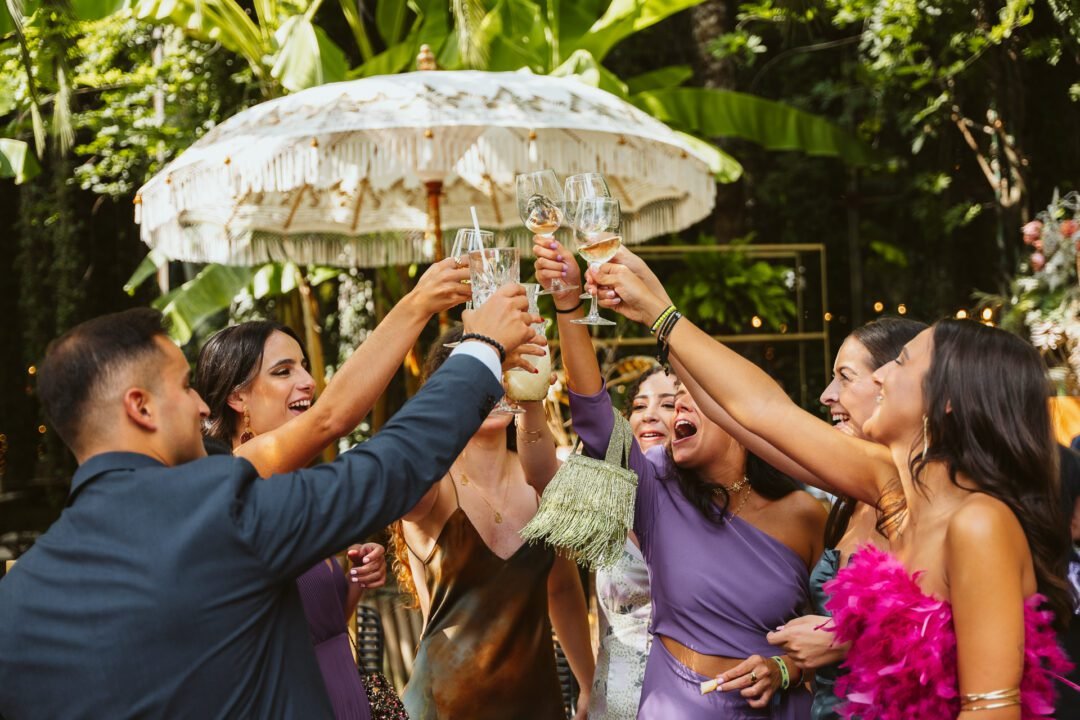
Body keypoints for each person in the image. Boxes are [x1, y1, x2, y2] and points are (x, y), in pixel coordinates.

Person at [0, 284, 540, 718]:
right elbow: (386, 470)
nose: (197, 405)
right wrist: (480, 351)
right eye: (186, 386)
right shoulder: (218, 507)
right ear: (141, 407)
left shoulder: (19, 599)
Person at [588, 250, 1073, 718]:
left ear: (947, 401)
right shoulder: (888, 491)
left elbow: (990, 710)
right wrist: (660, 315)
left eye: (900, 363)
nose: (880, 377)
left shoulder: (980, 522)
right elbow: (762, 413)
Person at [535, 238, 826, 719]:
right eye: (674, 400)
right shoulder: (655, 490)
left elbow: (844, 634)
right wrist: (567, 303)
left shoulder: (807, 514)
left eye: (688, 397)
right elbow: (593, 415)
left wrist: (786, 670)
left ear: (739, 417)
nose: (677, 409)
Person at [192, 259, 477, 718]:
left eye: (303, 366)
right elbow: (333, 416)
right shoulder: (233, 477)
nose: (307, 381)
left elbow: (318, 624)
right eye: (283, 371)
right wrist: (421, 304)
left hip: (338, 685)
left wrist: (352, 581)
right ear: (238, 397)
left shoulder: (291, 485)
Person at [388, 326, 594, 720]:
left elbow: (564, 590)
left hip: (538, 706)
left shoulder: (543, 483)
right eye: (481, 371)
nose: (495, 384)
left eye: (507, 369)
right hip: (445, 708)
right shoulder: (428, 485)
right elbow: (395, 467)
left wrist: (588, 684)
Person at [589, 365, 675, 719]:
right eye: (639, 406)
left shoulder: (716, 506)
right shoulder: (604, 498)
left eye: (668, 404)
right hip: (614, 700)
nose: (650, 415)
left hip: (685, 697)